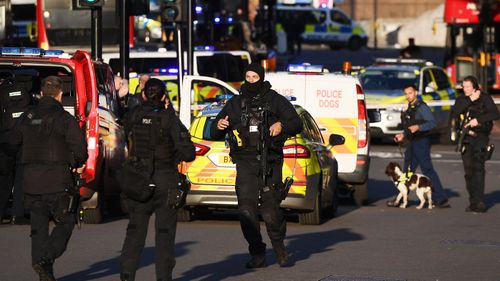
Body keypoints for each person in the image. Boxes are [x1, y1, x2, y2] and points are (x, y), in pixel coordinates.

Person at [211, 63, 302, 268]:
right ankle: (257, 253)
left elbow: (296, 123)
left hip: (270, 161)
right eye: (248, 77)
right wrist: (218, 125)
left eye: (255, 77)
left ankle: (279, 248)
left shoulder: (275, 100)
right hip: (245, 163)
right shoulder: (235, 103)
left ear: (261, 77)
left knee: (271, 212)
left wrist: (282, 125)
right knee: (246, 211)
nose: (251, 80)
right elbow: (214, 132)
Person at [9, 76, 88, 281]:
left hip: (31, 182)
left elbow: (11, 143)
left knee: (38, 228)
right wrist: (76, 161)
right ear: (60, 94)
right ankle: (46, 258)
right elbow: (80, 150)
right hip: (57, 181)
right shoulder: (65, 119)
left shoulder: (27, 116)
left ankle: (42, 268)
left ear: (42, 93)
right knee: (67, 221)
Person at [119, 78, 195, 281]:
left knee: (135, 231)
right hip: (164, 180)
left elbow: (126, 137)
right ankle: (163, 277)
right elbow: (188, 152)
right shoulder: (169, 118)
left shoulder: (133, 116)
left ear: (143, 94)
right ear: (163, 96)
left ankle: (127, 274)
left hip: (137, 178)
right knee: (164, 233)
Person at [387, 84, 450, 208]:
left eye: (410, 93)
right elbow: (410, 127)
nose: (408, 96)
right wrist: (402, 135)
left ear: (415, 92)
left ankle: (440, 198)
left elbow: (432, 123)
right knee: (407, 172)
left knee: (427, 170)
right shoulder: (410, 107)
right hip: (411, 143)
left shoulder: (422, 107)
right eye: (406, 93)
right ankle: (400, 198)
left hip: (421, 142)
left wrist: (419, 127)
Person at [452, 75, 499, 213]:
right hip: (466, 138)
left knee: (478, 167)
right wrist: (470, 100)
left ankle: (479, 202)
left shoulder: (485, 98)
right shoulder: (462, 99)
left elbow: (495, 114)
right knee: (469, 171)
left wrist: (478, 120)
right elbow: (455, 112)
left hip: (480, 136)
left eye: (467, 87)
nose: (464, 89)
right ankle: (472, 201)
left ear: (474, 87)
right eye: (463, 87)